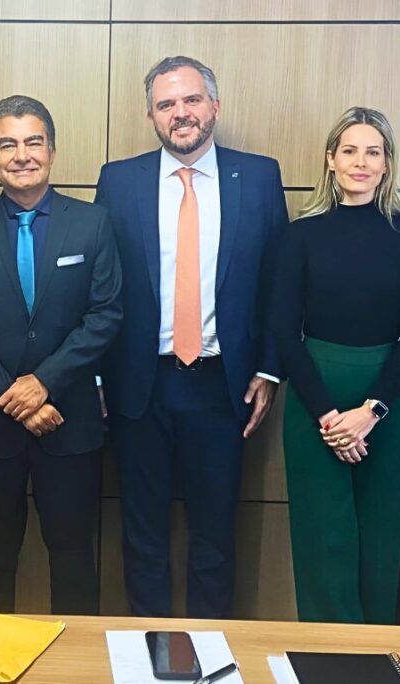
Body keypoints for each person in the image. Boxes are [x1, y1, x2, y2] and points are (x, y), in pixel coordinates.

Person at [95, 56, 288, 618]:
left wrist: (271, 369)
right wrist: (100, 374)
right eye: (166, 104)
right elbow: (102, 287)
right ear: (151, 115)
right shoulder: (119, 180)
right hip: (138, 385)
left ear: (214, 107)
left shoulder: (257, 177)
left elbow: (278, 285)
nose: (180, 114)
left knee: (214, 538)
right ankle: (146, 656)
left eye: (191, 100)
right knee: (142, 534)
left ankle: (210, 655)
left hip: (221, 387)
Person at [0, 95, 122, 615]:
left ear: (53, 150)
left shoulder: (92, 225)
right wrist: (15, 395)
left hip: (71, 422)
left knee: (73, 559)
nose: (22, 154)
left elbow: (105, 315)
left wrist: (44, 383)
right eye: (8, 144)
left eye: (33, 142)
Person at [271, 106, 400, 624]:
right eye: (349, 151)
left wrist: (371, 411)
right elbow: (282, 332)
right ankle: (327, 660)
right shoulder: (302, 235)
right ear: (330, 160)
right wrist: (328, 418)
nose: (361, 162)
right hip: (314, 399)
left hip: (386, 401)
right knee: (324, 539)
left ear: (387, 164)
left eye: (373, 152)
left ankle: (373, 662)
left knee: (380, 539)